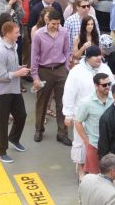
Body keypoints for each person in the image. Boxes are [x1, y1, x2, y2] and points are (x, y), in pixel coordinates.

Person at [64, 46, 114, 179]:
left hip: (102, 112)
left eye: (100, 55)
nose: (99, 58)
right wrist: (67, 113)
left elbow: (112, 87)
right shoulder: (76, 71)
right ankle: (81, 169)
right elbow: (69, 92)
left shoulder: (105, 68)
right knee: (81, 142)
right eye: (95, 56)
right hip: (81, 112)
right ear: (87, 58)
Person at [30, 9, 72, 145]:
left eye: (58, 24)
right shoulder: (38, 35)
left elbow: (67, 51)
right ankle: (39, 129)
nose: (56, 26)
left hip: (60, 70)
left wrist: (66, 68)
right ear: (47, 21)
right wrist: (35, 76)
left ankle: (62, 132)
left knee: (62, 103)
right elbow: (34, 57)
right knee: (42, 101)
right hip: (44, 71)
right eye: (54, 24)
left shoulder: (64, 32)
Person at [0, 21, 31, 163]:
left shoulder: (14, 46)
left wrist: (20, 67)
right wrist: (18, 73)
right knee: (2, 122)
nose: (19, 34)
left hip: (13, 89)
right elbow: (0, 76)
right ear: (7, 33)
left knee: (21, 115)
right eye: (16, 32)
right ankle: (1, 152)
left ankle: (13, 138)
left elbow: (11, 67)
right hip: (1, 93)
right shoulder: (0, 52)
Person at [75, 73, 114, 175]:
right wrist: (87, 141)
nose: (108, 87)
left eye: (109, 84)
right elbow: (78, 122)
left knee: (111, 175)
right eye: (104, 85)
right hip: (95, 145)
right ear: (96, 86)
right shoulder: (87, 103)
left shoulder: (113, 100)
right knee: (94, 176)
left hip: (112, 146)